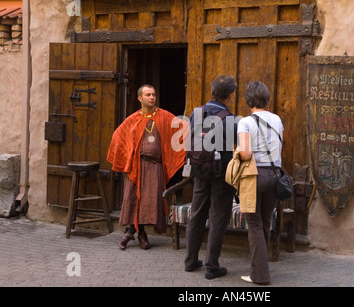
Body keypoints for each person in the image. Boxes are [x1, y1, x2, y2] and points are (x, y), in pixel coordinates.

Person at [107, 85, 186, 250]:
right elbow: (118, 136)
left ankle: (130, 232)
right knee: (136, 199)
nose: (151, 97)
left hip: (155, 166)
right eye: (148, 95)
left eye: (153, 95)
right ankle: (140, 234)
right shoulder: (133, 119)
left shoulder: (164, 116)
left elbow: (183, 127)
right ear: (140, 98)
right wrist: (128, 155)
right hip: (137, 166)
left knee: (151, 201)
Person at [184, 75, 238, 280]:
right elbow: (234, 147)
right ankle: (212, 266)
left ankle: (190, 261)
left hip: (199, 170)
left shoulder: (196, 113)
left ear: (212, 91)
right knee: (218, 218)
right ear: (230, 96)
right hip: (221, 175)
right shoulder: (230, 118)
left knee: (197, 214)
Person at [237, 81, 284, 285]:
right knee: (265, 222)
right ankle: (260, 269)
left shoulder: (245, 122)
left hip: (254, 176)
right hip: (275, 176)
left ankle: (260, 275)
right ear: (267, 98)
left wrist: (237, 151)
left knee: (254, 223)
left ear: (248, 100)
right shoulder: (277, 120)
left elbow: (246, 154)